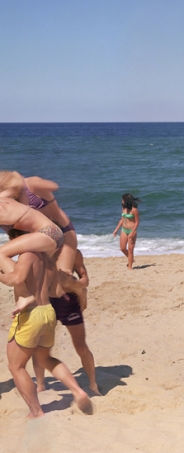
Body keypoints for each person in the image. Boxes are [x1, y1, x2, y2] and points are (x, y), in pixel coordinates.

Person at [0, 231, 93, 417]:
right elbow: (57, 291)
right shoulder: (48, 260)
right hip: (48, 312)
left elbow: (15, 279)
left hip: (31, 314)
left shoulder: (27, 255)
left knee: (16, 366)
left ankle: (36, 411)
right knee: (44, 359)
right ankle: (77, 391)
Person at [0, 172, 80, 295]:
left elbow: (53, 186)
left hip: (63, 230)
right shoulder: (7, 201)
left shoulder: (30, 184)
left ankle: (79, 290)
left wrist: (36, 184)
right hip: (38, 237)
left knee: (64, 278)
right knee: (48, 283)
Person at [33, 248, 98, 395]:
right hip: (45, 300)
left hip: (68, 302)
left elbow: (85, 279)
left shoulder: (73, 253)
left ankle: (93, 384)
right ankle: (40, 385)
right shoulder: (39, 251)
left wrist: (74, 285)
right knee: (40, 346)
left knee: (80, 346)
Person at [112, 193, 140, 270]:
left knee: (130, 249)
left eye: (123, 200)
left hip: (132, 230)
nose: (122, 201)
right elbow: (122, 220)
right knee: (123, 248)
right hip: (124, 230)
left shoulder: (134, 209)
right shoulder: (123, 209)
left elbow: (137, 222)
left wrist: (133, 232)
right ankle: (131, 259)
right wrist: (116, 230)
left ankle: (130, 267)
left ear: (126, 200)